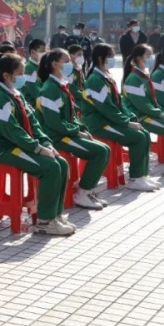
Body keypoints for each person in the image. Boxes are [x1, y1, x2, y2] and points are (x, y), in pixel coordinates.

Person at [0, 53, 73, 236]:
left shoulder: (15, 94)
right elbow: (12, 131)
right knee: (50, 168)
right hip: (2, 148)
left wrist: (46, 143)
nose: (24, 76)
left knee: (61, 163)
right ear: (6, 75)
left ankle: (55, 214)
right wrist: (37, 148)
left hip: (19, 144)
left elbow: (34, 123)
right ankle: (45, 222)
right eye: (20, 73)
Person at [35, 49, 111, 210]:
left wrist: (81, 128)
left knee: (105, 149)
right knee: (99, 152)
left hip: (66, 132)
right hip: (57, 137)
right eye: (66, 60)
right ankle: (82, 192)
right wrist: (76, 132)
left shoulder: (61, 85)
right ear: (55, 64)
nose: (71, 64)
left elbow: (71, 116)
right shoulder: (49, 89)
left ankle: (86, 187)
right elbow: (53, 123)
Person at [80, 44, 158, 192]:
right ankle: (135, 179)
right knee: (138, 138)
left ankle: (141, 175)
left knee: (144, 134)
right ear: (100, 58)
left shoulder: (106, 76)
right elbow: (106, 109)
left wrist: (131, 117)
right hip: (100, 124)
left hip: (111, 120)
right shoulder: (96, 80)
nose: (112, 59)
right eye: (110, 56)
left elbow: (119, 103)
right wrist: (126, 122)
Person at [122, 44, 164, 176]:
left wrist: (161, 112)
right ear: (138, 57)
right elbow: (142, 104)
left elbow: (153, 100)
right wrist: (160, 113)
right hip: (140, 116)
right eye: (148, 55)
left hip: (149, 112)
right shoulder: (134, 78)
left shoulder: (143, 75)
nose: (151, 57)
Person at [20, 39, 45, 106]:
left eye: (44, 52)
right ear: (33, 52)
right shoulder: (29, 68)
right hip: (34, 105)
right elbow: (35, 91)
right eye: (41, 51)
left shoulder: (39, 66)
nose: (44, 54)